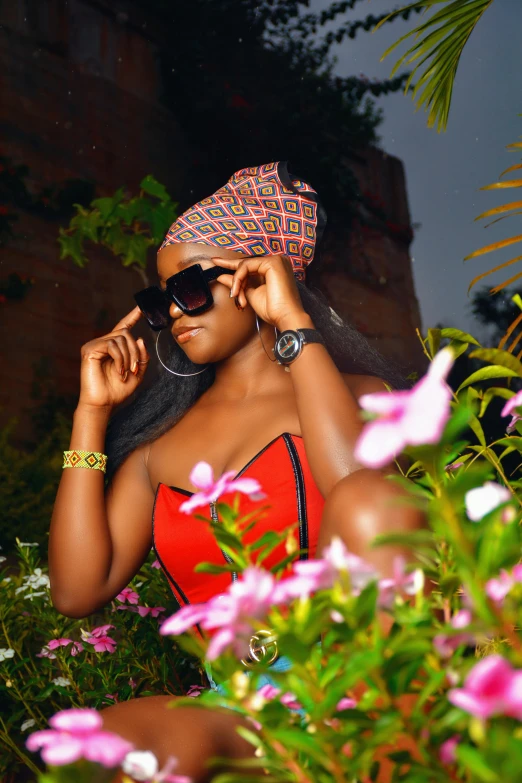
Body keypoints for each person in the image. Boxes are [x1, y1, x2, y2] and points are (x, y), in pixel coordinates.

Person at [49, 162, 424, 782]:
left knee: (368, 499)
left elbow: (363, 498)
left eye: (190, 288)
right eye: (160, 297)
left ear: (258, 275)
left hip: (363, 687)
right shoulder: (156, 450)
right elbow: (75, 592)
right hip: (244, 711)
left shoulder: (364, 397)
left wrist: (294, 323)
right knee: (111, 747)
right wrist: (90, 415)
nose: (173, 310)